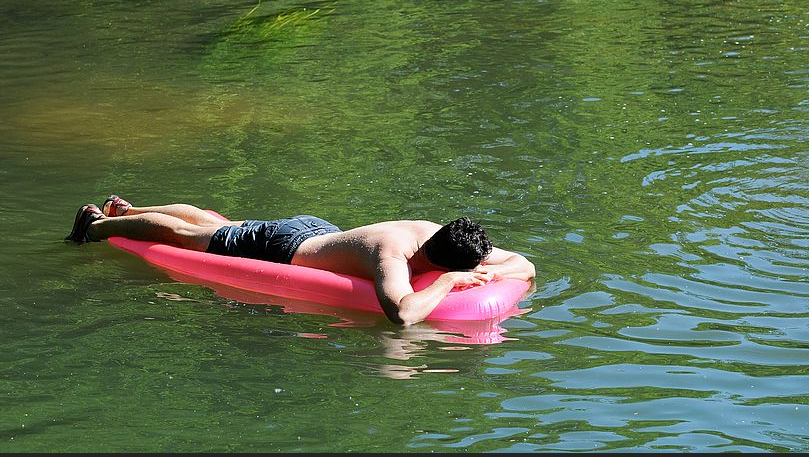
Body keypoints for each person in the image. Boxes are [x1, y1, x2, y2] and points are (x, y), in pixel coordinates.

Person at [66, 196, 536, 325]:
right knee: (194, 236)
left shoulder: (453, 237)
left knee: (215, 225)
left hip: (320, 232)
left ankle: (133, 210)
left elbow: (525, 265)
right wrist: (450, 282)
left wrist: (494, 270)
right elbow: (403, 315)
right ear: (439, 257)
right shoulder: (394, 253)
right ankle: (98, 227)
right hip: (286, 246)